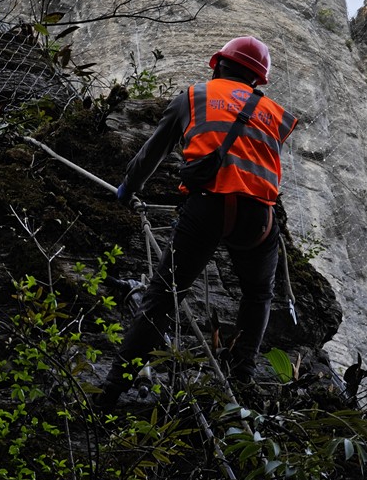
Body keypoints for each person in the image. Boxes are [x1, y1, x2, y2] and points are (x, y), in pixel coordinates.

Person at [94, 36, 298, 409]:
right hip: (260, 218)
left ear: (218, 64)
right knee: (258, 295)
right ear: (257, 80)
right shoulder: (275, 113)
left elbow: (151, 153)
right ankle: (242, 379)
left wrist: (127, 188)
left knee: (164, 295)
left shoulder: (194, 96)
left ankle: (111, 390)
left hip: (209, 206)